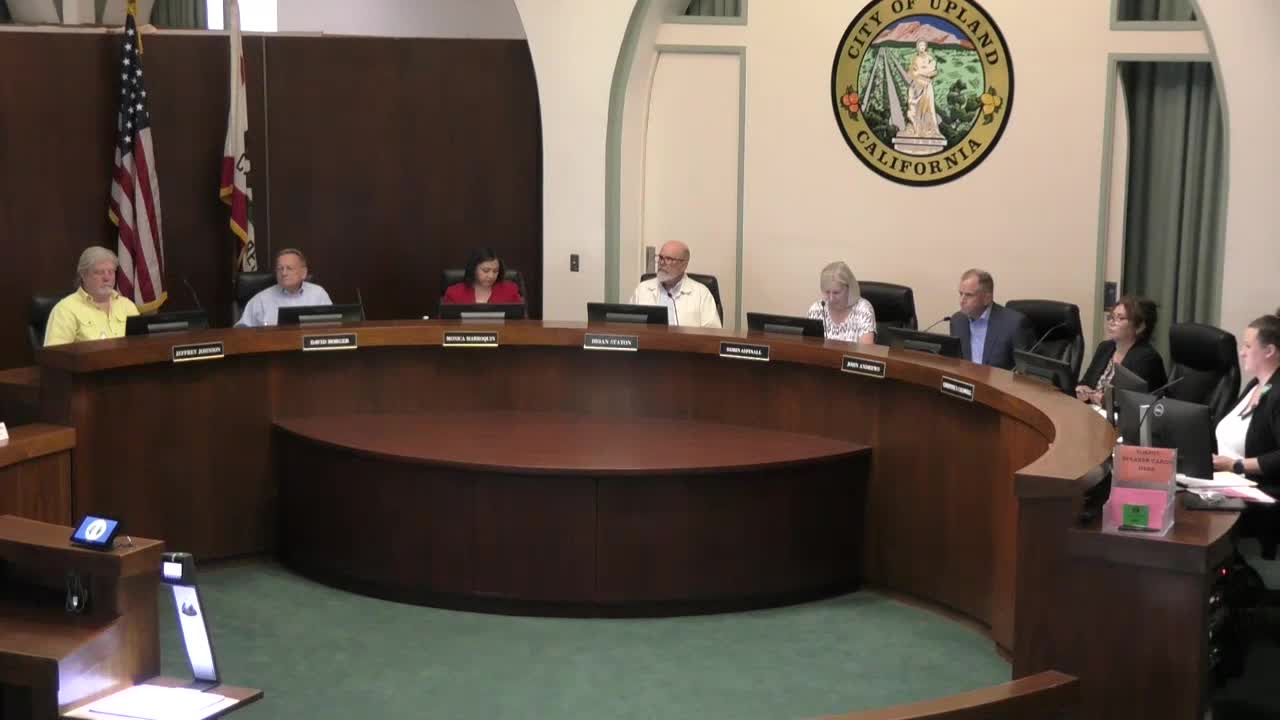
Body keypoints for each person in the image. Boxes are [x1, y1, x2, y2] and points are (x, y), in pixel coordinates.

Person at [1075, 296, 1168, 404]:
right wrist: (1081, 390)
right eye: (1111, 317)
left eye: (1120, 318)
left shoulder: (1147, 358)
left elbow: (1129, 403)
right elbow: (1086, 382)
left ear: (1140, 327)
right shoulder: (1105, 347)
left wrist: (1101, 400)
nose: (1111, 322)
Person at [44, 246, 140, 346]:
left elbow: (140, 345)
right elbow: (55, 354)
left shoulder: (127, 306)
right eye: (99, 272)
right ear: (83, 275)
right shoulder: (65, 310)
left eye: (111, 272)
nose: (107, 278)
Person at [949, 268, 1034, 370]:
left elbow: (1026, 370)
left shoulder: (1014, 324)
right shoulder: (958, 321)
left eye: (969, 295)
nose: (962, 300)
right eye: (961, 294)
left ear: (987, 299)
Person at [628, 241, 721, 329]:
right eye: (660, 257)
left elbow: (713, 332)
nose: (662, 263)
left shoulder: (701, 293)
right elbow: (629, 325)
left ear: (684, 264)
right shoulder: (643, 289)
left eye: (669, 259)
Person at [236, 248, 332, 327]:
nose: (284, 273)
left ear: (303, 273)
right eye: (280, 268)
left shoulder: (318, 294)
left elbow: (332, 325)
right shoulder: (261, 299)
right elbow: (241, 328)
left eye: (289, 268)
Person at [806, 261, 876, 343]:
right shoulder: (816, 309)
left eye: (836, 292)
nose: (831, 298)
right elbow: (808, 345)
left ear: (849, 289)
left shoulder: (863, 310)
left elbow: (865, 349)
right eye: (827, 292)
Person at [442, 248, 523, 305]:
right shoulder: (454, 293)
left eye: (495, 271)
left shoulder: (510, 291)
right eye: (486, 270)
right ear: (473, 269)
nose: (491, 276)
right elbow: (446, 322)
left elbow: (521, 321)